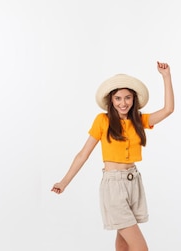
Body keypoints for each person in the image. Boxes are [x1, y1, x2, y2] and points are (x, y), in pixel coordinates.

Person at [51, 61, 174, 251]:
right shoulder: (102, 121)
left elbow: (168, 110)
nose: (123, 103)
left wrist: (166, 77)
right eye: (118, 98)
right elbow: (83, 154)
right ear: (111, 100)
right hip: (113, 186)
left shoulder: (140, 121)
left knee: (123, 244)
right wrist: (64, 182)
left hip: (134, 182)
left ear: (133, 99)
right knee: (141, 248)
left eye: (127, 98)